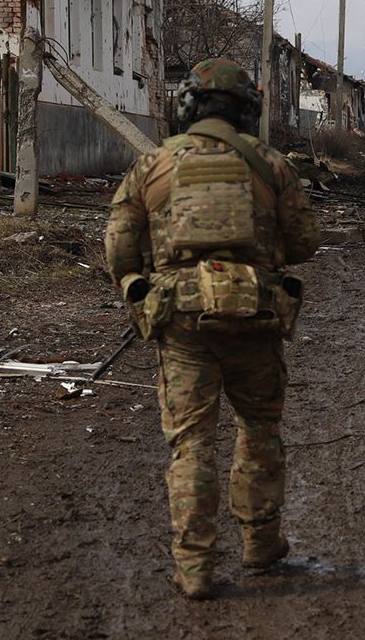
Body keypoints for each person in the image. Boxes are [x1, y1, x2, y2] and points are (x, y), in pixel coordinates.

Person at [106, 58, 321, 600]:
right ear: (247, 110)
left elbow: (118, 248)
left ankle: (196, 567)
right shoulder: (271, 164)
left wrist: (139, 281)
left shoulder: (153, 165)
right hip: (256, 318)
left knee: (191, 443)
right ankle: (260, 543)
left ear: (187, 107)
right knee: (259, 429)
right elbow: (304, 243)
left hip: (181, 323)